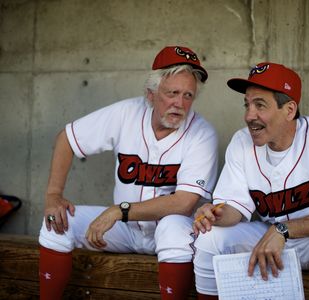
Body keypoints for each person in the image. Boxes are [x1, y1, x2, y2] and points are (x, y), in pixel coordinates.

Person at [38, 45, 218, 300]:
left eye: (188, 95)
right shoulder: (127, 113)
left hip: (170, 234)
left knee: (173, 228)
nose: (180, 103)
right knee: (55, 223)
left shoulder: (202, 133)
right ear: (151, 94)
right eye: (172, 93)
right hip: (124, 229)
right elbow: (67, 138)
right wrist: (53, 194)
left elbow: (184, 202)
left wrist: (118, 210)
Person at [192, 62, 309, 299]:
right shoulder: (241, 142)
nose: (248, 116)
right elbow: (233, 208)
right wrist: (214, 214)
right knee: (209, 236)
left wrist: (282, 230)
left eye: (260, 105)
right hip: (271, 239)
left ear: (289, 110)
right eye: (247, 105)